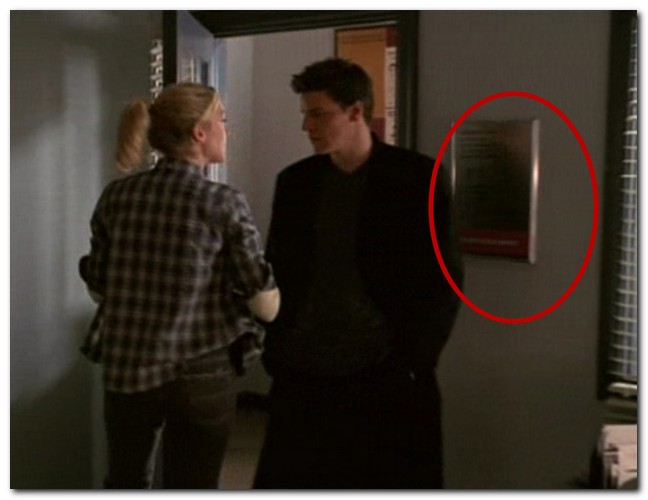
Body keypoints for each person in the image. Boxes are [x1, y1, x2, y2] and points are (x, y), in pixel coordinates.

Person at [253, 58, 463, 489]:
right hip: (304, 372)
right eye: (305, 114)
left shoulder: (415, 179)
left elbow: (443, 280)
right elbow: (278, 268)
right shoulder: (296, 183)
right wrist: (276, 348)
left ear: (356, 111)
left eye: (319, 113)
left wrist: (413, 361)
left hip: (383, 376)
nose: (307, 126)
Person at [79, 82, 279, 489]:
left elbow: (98, 286)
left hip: (128, 366)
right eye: (222, 120)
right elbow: (263, 301)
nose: (228, 130)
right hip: (201, 372)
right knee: (194, 485)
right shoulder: (225, 203)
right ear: (199, 133)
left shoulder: (117, 196)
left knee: (125, 481)